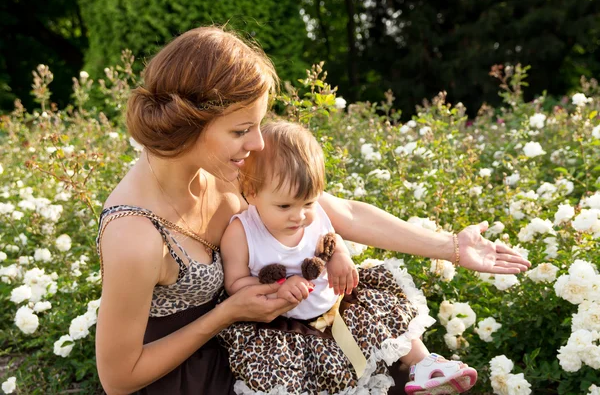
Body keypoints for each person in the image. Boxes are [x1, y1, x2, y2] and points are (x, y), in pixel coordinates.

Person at [95, 26, 531, 395]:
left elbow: (346, 214)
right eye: (242, 130)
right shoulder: (135, 234)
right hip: (189, 378)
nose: (258, 145)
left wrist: (451, 247)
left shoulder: (224, 167)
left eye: (258, 127)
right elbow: (118, 378)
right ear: (188, 122)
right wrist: (227, 313)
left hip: (259, 342)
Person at [218, 121, 478, 394]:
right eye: (284, 206)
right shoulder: (241, 232)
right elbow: (235, 284)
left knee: (380, 317)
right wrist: (278, 288)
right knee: (311, 378)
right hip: (284, 327)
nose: (300, 216)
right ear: (252, 192)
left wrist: (339, 255)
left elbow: (330, 240)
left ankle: (425, 365)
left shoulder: (314, 214)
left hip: (336, 303)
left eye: (308, 202)